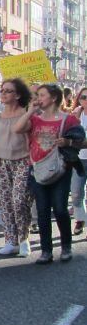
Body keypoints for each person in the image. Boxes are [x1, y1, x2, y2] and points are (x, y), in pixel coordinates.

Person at [14, 84, 84, 264]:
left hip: (60, 169)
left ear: (53, 98)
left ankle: (66, 246)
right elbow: (18, 128)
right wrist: (30, 111)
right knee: (43, 210)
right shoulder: (36, 119)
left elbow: (83, 142)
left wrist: (68, 142)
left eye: (41, 95)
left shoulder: (68, 119)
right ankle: (46, 251)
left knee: (60, 209)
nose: (38, 98)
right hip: (38, 168)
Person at [0, 78, 33, 257]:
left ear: (18, 95)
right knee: (5, 203)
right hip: (1, 163)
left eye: (8, 91)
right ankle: (11, 241)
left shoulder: (26, 114)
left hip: (23, 161)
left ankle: (24, 239)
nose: (3, 93)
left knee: (20, 201)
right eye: (2, 90)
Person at [70, 87, 87, 235]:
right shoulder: (76, 115)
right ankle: (81, 219)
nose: (85, 100)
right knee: (76, 193)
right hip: (78, 159)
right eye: (83, 97)